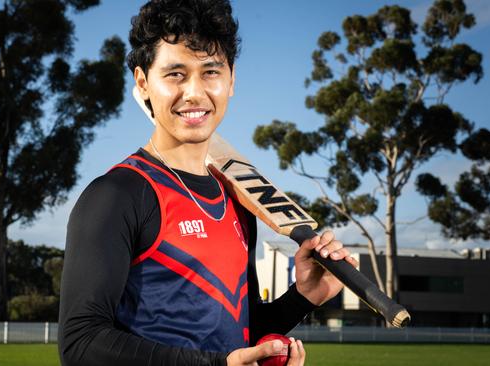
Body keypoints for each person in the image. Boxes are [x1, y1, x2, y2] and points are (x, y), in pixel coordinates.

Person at [58, 1, 357, 365]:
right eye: (176, 74)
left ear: (231, 80)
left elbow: (237, 331)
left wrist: (303, 296)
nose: (195, 93)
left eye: (210, 72)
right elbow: (80, 344)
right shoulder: (118, 196)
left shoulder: (238, 202)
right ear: (143, 83)